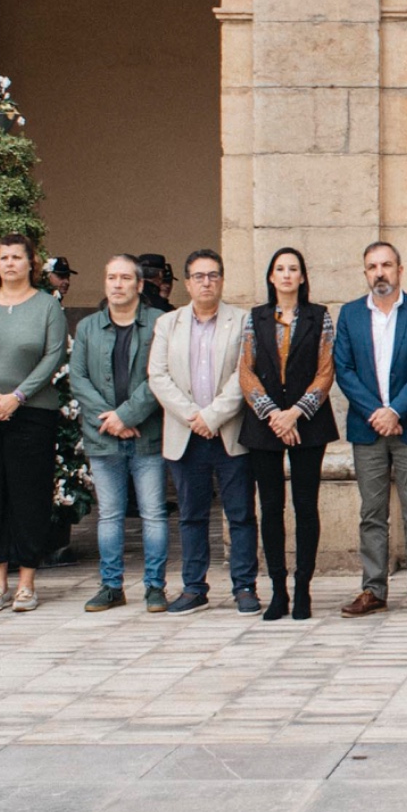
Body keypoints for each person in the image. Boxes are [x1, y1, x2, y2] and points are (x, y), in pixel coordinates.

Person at [0, 233, 69, 613]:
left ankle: (27, 583)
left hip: (32, 413)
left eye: (18, 257)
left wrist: (17, 397)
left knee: (28, 495)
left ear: (31, 263)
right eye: (3, 258)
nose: (10, 264)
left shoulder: (47, 307)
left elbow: (52, 355)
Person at [332, 241, 407, 618]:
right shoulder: (349, 315)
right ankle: (373, 588)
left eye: (386, 265)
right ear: (365, 272)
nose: (380, 272)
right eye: (372, 266)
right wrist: (376, 412)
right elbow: (343, 370)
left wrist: (395, 410)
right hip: (367, 429)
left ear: (400, 269)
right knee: (372, 512)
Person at [149, 248, 260, 614]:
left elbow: (242, 376)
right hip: (185, 434)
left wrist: (211, 417)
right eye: (199, 276)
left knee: (240, 514)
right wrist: (192, 416)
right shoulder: (168, 323)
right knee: (192, 515)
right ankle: (194, 587)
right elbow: (158, 376)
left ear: (222, 279)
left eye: (213, 275)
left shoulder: (243, 321)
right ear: (187, 282)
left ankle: (245, 586)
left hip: (228, 432)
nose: (206, 282)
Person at [237, 246, 334, 621]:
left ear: (303, 277)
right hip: (265, 425)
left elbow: (326, 371)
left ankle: (303, 588)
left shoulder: (320, 317)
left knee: (306, 506)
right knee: (271, 508)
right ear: (271, 277)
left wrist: (294, 413)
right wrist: (273, 414)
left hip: (307, 422)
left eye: (294, 268)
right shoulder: (256, 318)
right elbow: (246, 371)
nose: (287, 275)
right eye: (280, 269)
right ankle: (278, 589)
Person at [69, 255, 168, 613]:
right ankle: (111, 586)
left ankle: (155, 587)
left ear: (140, 285)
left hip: (148, 435)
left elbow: (159, 376)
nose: (117, 284)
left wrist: (126, 415)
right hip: (103, 437)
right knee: (109, 514)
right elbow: (78, 378)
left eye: (126, 278)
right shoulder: (88, 328)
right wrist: (109, 420)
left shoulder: (160, 323)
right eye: (112, 277)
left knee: (153, 514)